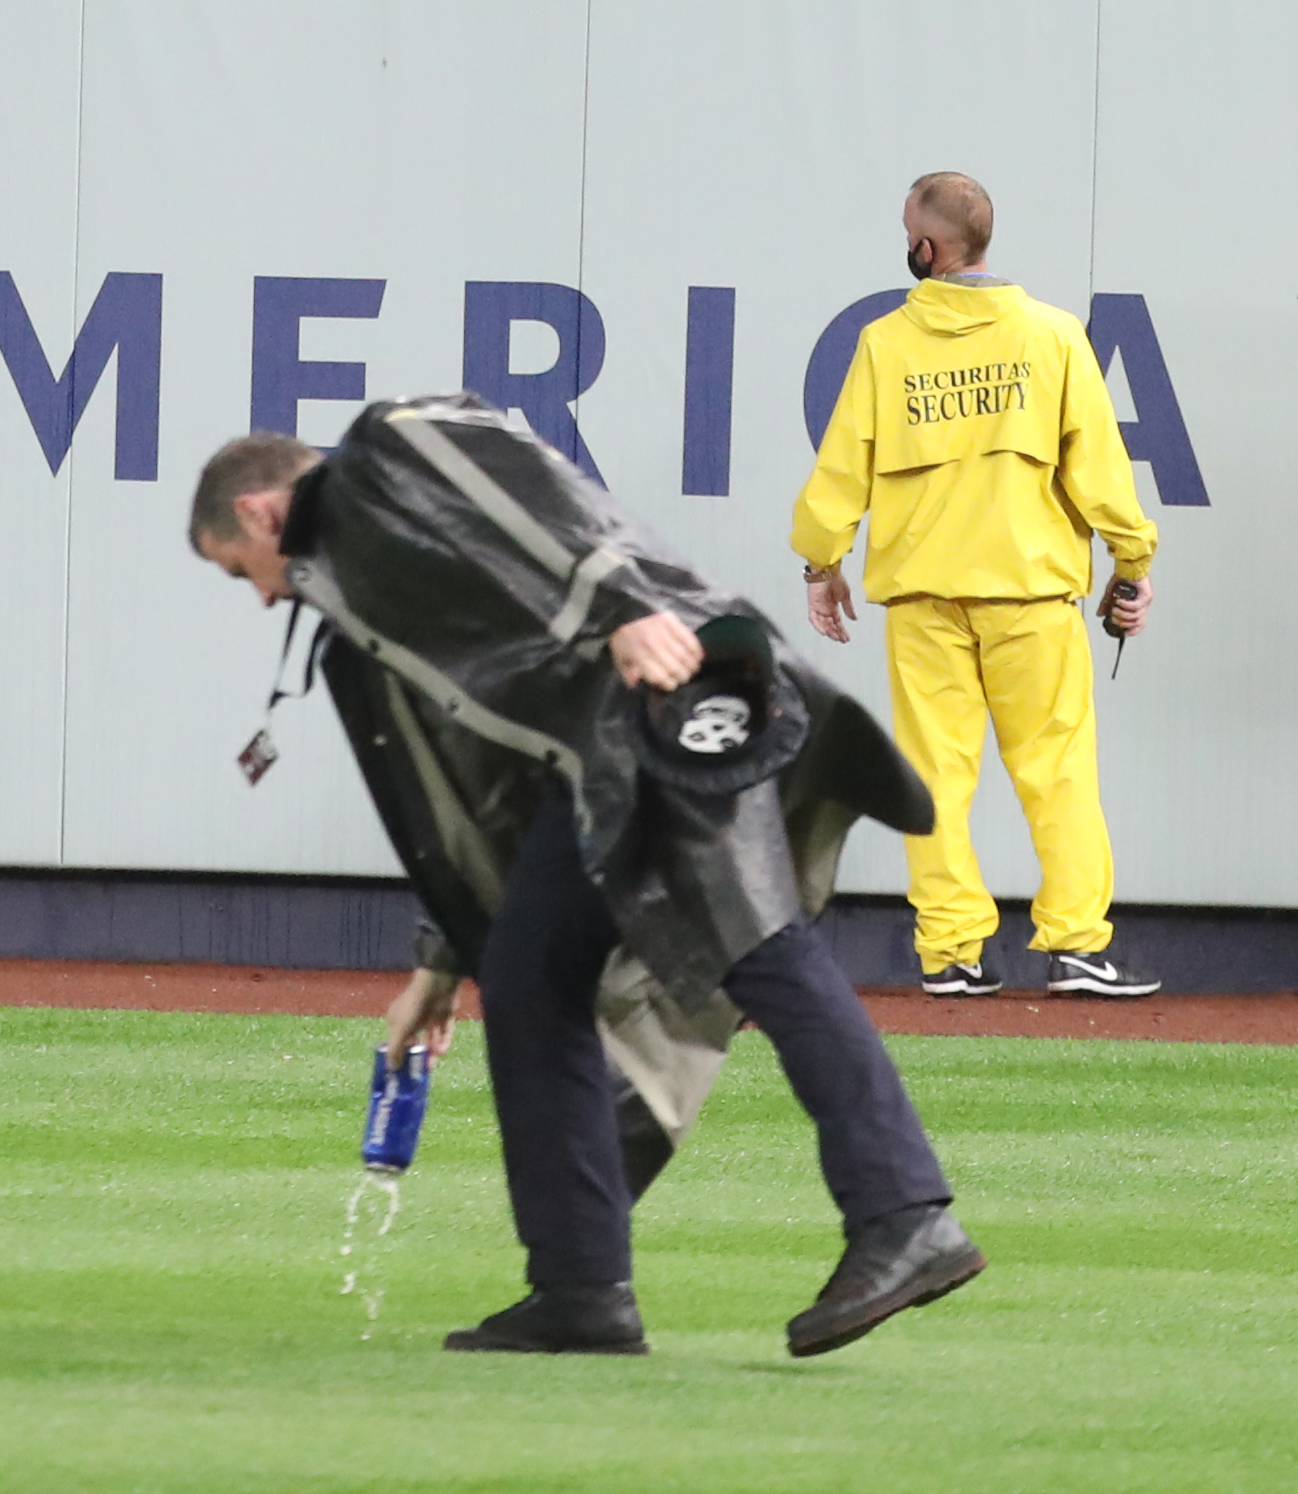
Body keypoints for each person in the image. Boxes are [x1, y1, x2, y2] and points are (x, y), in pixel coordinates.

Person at [185, 406, 977, 1365]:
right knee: (526, 976)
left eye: (238, 572)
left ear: (260, 512)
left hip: (669, 693)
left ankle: (904, 1214)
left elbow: (529, 494)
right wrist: (439, 963)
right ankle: (579, 1290)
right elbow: (465, 803)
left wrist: (628, 607)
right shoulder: (358, 616)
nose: (262, 599)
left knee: (759, 945)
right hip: (593, 762)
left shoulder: (390, 446)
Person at [787, 168, 1162, 1003]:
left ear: (928, 247)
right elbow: (1101, 471)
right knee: (1057, 770)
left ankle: (950, 951)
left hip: (926, 598)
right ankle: (1074, 947)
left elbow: (841, 467)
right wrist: (1131, 565)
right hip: (1030, 597)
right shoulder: (1053, 336)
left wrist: (822, 564)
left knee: (934, 776)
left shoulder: (888, 344)